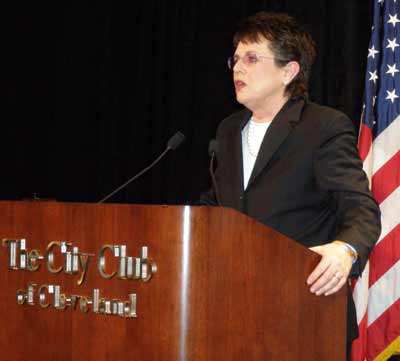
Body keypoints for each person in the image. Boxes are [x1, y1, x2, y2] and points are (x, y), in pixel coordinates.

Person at [200, 11, 381, 358]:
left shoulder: (322, 127)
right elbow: (222, 205)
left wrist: (346, 250)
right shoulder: (228, 130)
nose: (238, 68)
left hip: (304, 313)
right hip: (231, 312)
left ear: (289, 70)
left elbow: (360, 206)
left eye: (252, 58)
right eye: (235, 59)